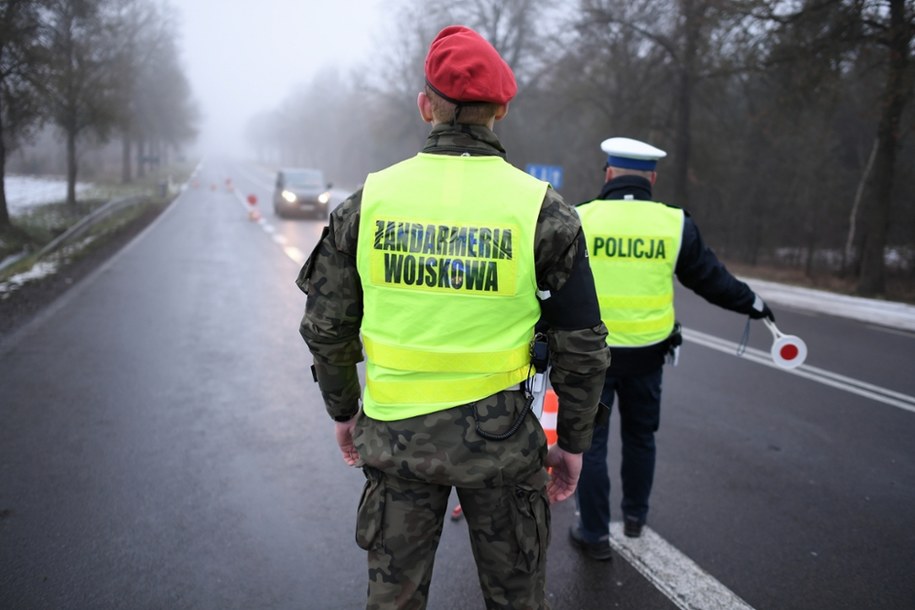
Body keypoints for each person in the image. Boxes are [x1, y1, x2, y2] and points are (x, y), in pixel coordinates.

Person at [296, 25, 611, 609]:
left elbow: (327, 329)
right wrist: (572, 442)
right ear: (503, 109)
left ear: (425, 107)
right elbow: (583, 346)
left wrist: (342, 411)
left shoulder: (368, 203)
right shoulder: (544, 212)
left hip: (395, 440)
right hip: (504, 447)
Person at [568, 137, 776, 561]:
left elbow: (553, 285)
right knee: (641, 437)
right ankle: (634, 519)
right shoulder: (673, 224)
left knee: (591, 445)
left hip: (592, 359)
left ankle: (594, 535)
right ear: (652, 178)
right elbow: (710, 279)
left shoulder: (578, 218)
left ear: (607, 174)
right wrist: (752, 303)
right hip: (647, 359)